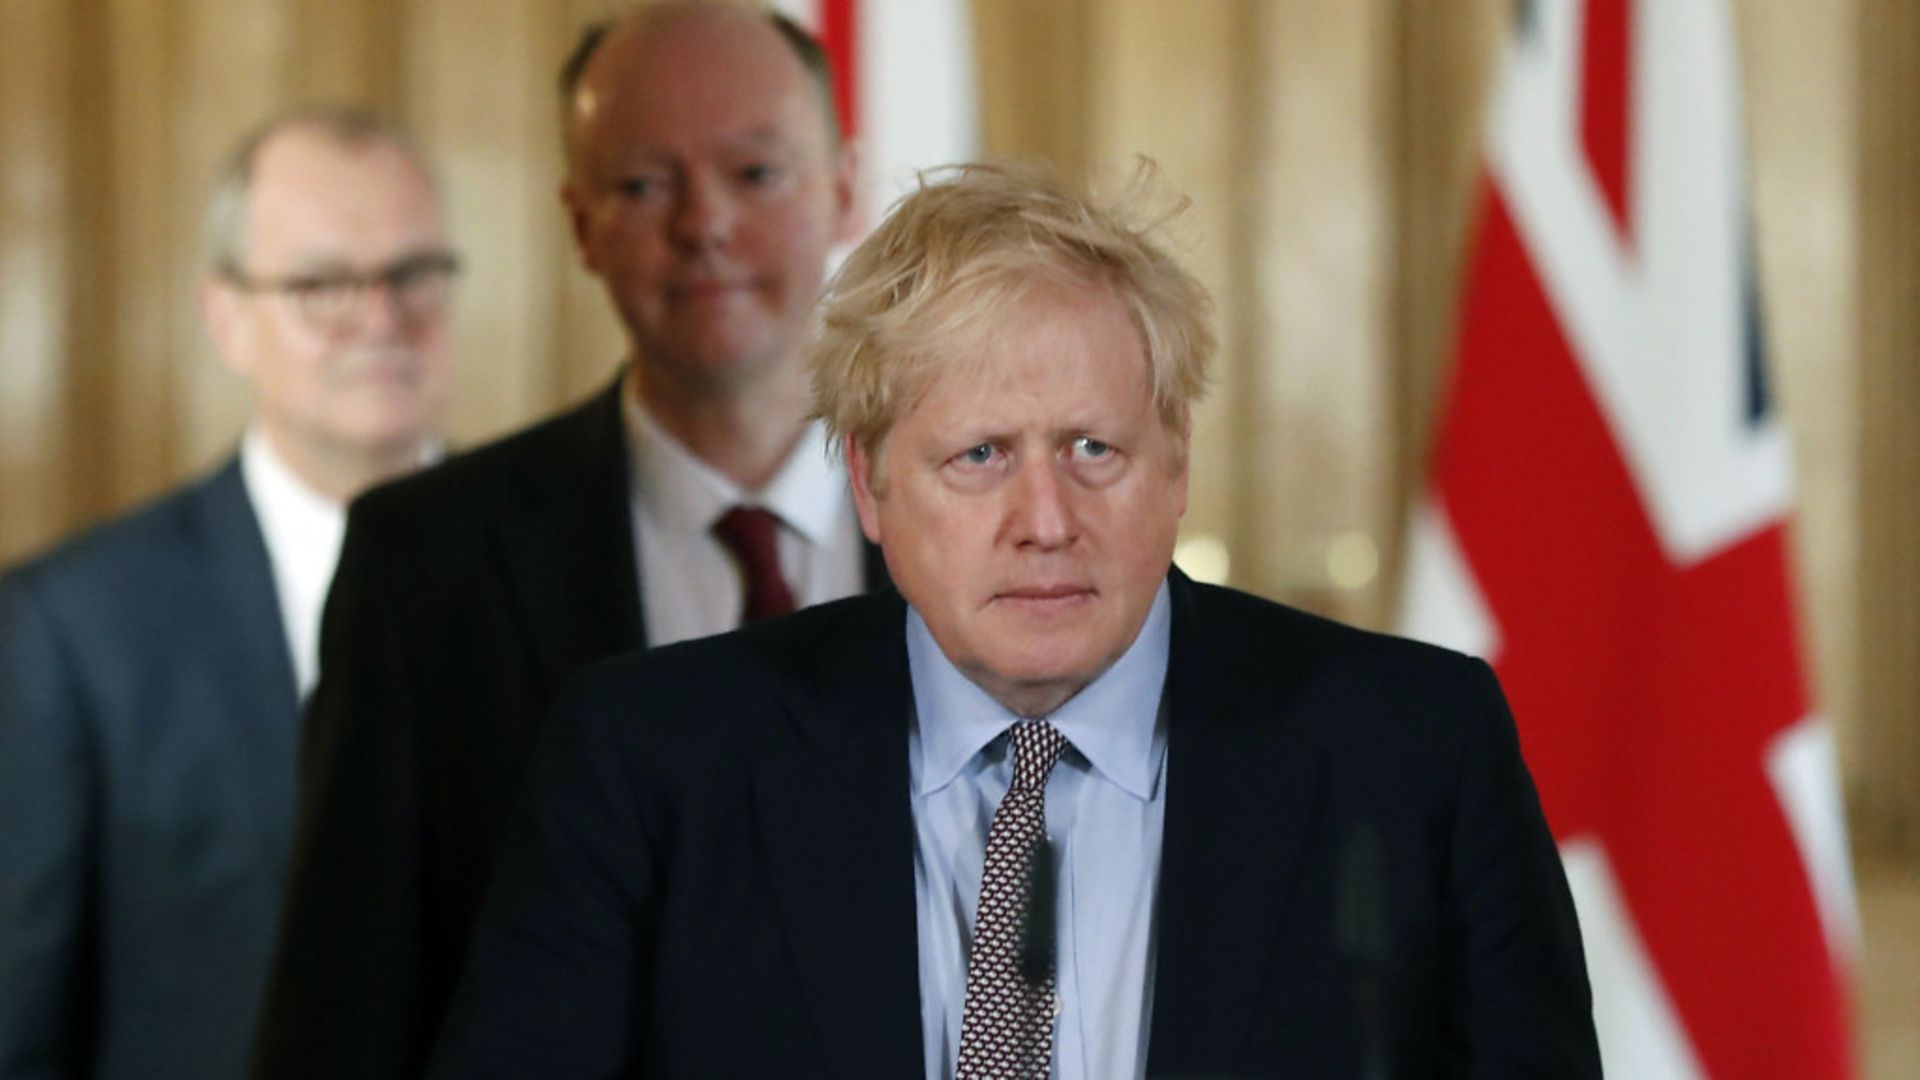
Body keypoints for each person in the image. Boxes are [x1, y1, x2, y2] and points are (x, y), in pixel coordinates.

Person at [427, 161, 1603, 1079]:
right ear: (872, 487)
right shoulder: (651, 761)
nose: (1046, 519)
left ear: (1177, 465)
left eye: (1096, 449)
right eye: (979, 457)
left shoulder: (1412, 747)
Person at [252, 6, 885, 1077]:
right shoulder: (424, 567)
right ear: (580, 222)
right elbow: (339, 1020)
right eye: (644, 184)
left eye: (756, 172)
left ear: (843, 192)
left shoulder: (986, 526)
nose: (705, 225)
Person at [0, 106, 456, 1080]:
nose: (381, 320)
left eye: (415, 274)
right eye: (322, 284)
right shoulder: (74, 628)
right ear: (226, 319)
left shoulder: (561, 568)